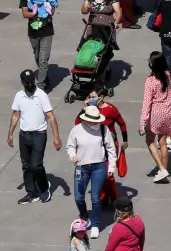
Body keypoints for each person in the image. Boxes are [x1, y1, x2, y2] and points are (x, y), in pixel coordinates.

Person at [7, 68, 61, 204]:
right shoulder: (19, 96)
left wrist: (56, 138)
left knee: (36, 165)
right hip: (24, 135)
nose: (29, 84)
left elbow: (51, 117)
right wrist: (10, 134)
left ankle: (44, 188)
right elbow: (15, 115)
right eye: (27, 82)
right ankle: (31, 193)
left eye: (31, 82)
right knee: (26, 166)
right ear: (22, 82)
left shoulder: (41, 95)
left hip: (39, 135)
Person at [65, 103, 119, 237]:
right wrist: (72, 156)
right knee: (78, 197)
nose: (93, 123)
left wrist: (111, 166)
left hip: (98, 167)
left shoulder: (103, 129)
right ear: (85, 119)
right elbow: (70, 146)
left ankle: (95, 224)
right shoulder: (76, 130)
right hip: (81, 167)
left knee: (95, 197)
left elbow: (111, 149)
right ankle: (85, 217)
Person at [139, 51, 171, 182]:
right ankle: (164, 172)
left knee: (150, 141)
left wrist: (143, 123)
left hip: (156, 114)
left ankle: (161, 169)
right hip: (169, 112)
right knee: (163, 143)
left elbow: (147, 103)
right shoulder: (170, 75)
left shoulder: (150, 80)